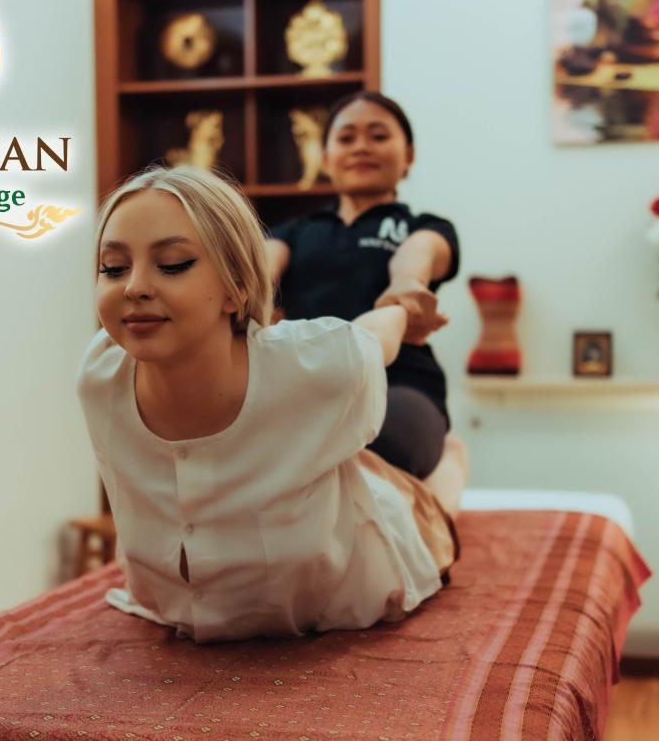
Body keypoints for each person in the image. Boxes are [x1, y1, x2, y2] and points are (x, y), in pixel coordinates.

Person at [75, 165, 464, 643]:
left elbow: (373, 340)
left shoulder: (311, 365)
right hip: (184, 605)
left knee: (428, 511)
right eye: (113, 268)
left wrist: (404, 308)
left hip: (344, 588)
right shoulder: (99, 377)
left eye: (173, 263)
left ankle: (452, 464)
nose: (133, 286)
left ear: (237, 286)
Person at [267, 92, 462, 481]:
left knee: (380, 443)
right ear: (325, 159)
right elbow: (257, 268)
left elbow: (418, 254)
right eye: (346, 138)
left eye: (377, 136)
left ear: (408, 157)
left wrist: (407, 286)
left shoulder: (423, 227)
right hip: (308, 385)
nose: (361, 147)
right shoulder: (294, 233)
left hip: (401, 386)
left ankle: (449, 463)